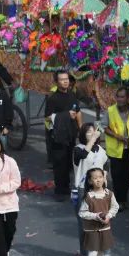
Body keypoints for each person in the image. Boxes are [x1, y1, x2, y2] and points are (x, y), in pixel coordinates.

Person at [73, 123, 110, 256]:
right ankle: (84, 254)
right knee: (84, 223)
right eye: (89, 132)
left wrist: (104, 177)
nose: (92, 133)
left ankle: (105, 252)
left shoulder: (100, 150)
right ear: (83, 134)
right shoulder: (78, 149)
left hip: (99, 190)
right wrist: (92, 139)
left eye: (94, 131)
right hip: (83, 189)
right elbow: (82, 155)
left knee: (102, 220)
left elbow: (106, 164)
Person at [78, 167, 118, 256]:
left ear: (104, 178)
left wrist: (109, 216)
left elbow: (114, 207)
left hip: (104, 228)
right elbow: (82, 213)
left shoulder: (109, 194)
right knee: (93, 252)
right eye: (95, 178)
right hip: (92, 230)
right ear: (90, 181)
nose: (98, 180)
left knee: (101, 251)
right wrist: (96, 216)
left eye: (100, 177)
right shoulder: (88, 197)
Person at [45, 70, 82, 200]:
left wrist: (81, 128)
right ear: (57, 82)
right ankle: (59, 190)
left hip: (70, 133)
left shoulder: (72, 94)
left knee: (68, 162)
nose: (65, 81)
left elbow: (77, 111)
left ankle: (66, 187)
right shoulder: (53, 98)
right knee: (59, 163)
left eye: (66, 79)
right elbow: (48, 117)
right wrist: (66, 115)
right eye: (62, 79)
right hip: (58, 136)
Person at [103, 87, 129, 210]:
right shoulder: (110, 110)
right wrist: (117, 136)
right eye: (118, 96)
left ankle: (124, 199)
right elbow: (105, 127)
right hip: (115, 150)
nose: (120, 99)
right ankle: (118, 201)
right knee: (117, 176)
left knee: (127, 176)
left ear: (128, 98)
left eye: (122, 97)